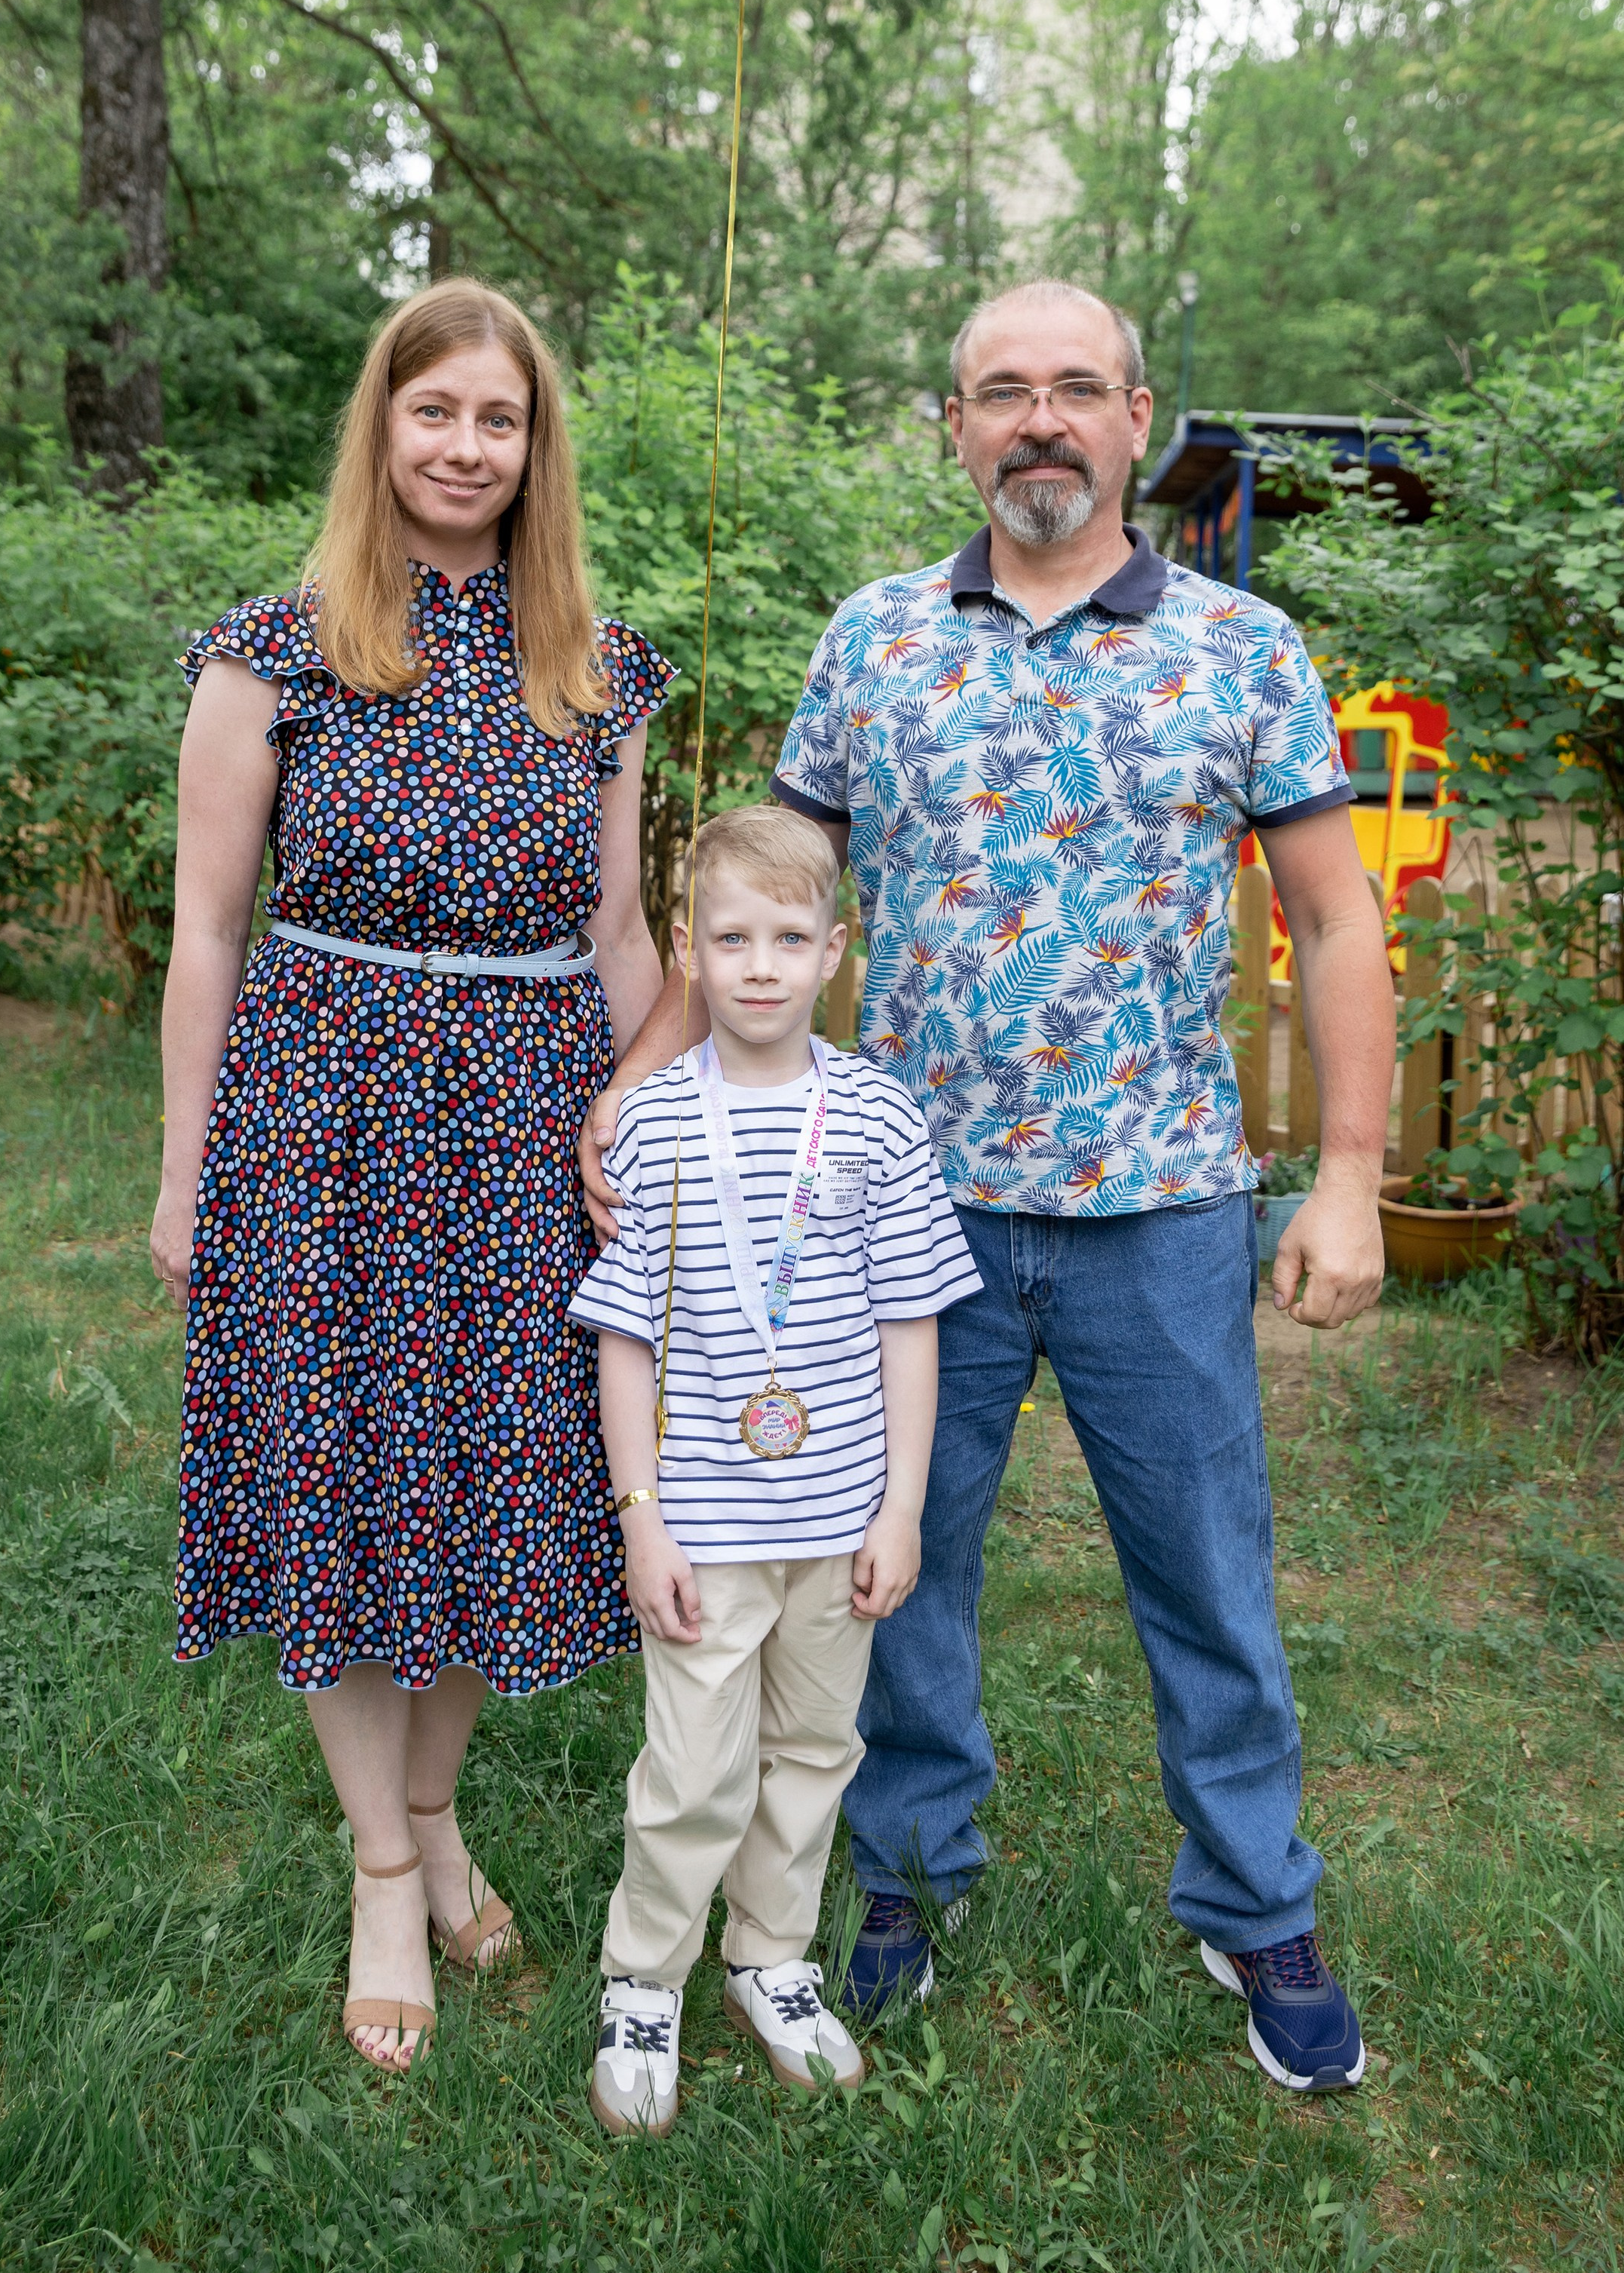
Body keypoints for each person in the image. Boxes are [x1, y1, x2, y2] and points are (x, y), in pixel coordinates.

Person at [583, 280, 1395, 2097]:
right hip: (889, 1222)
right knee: (897, 1583)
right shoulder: (872, 639)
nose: (1039, 420)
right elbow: (760, 895)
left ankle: (1254, 1898)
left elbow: (1336, 915)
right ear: (950, 425)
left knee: (1203, 1578)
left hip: (1162, 1204)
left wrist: (1346, 1177)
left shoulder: (1240, 647)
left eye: (1074, 391)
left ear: (1133, 417)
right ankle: (899, 1876)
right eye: (1000, 392)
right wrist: (638, 1085)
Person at [151, 278, 673, 2072]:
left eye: (499, 418)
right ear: (381, 427)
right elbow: (208, 929)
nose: (465, 446)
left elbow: (618, 929)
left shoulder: (596, 667)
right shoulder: (275, 647)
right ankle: (385, 1865)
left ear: (538, 448)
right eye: (433, 411)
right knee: (337, 1467)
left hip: (530, 1116)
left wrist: (648, 1129)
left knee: (494, 1478)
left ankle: (438, 1804)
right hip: (323, 1108)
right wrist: (183, 1168)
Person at [568, 807, 982, 2135]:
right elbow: (624, 1341)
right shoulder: (651, 1124)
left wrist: (902, 1502)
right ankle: (644, 1979)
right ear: (686, 947)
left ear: (834, 951)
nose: (758, 964)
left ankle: (770, 1955)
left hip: (840, 1516)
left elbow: (909, 1319)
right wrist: (641, 1520)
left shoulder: (874, 1114)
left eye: (788, 937)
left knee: (811, 1748)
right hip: (701, 1519)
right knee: (693, 1768)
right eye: (731, 937)